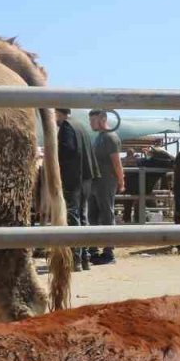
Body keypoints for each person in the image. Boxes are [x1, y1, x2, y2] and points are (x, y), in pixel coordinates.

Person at [55, 108, 98, 271]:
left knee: (73, 215)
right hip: (86, 177)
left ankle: (76, 258)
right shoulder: (81, 126)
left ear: (58, 113)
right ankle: (85, 258)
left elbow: (67, 151)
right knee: (82, 215)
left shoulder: (66, 127)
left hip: (73, 178)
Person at [87, 110, 125, 265]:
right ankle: (93, 250)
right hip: (95, 182)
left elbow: (117, 162)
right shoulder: (99, 137)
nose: (90, 124)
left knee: (106, 214)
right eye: (90, 121)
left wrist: (121, 181)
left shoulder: (110, 137)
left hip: (106, 181)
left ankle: (109, 252)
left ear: (102, 119)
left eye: (93, 120)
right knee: (93, 215)